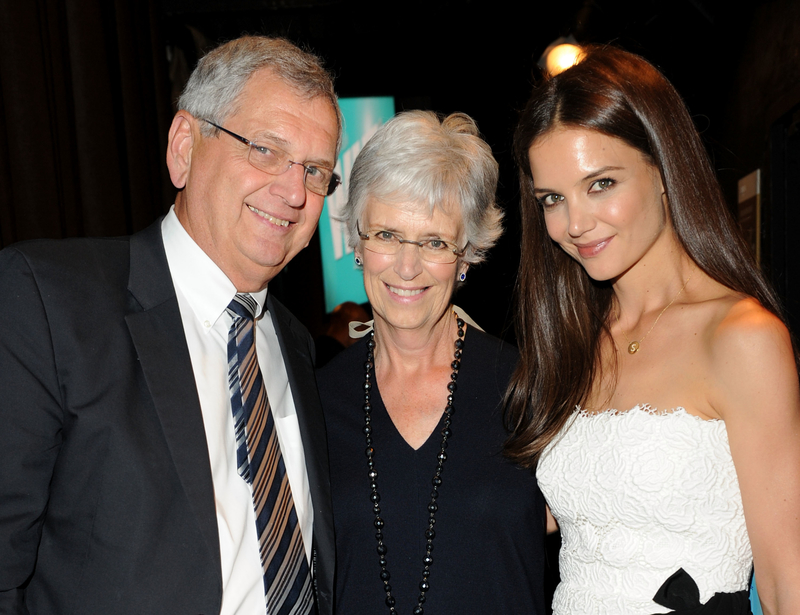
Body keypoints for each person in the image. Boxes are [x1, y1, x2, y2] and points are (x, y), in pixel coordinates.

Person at [0, 36, 341, 615]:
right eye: (264, 149)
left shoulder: (297, 345)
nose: (292, 192)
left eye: (315, 171)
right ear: (184, 146)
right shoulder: (47, 302)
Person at [506, 45, 800, 614]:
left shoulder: (740, 337)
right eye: (552, 199)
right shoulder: (573, 340)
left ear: (664, 169)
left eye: (601, 185)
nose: (574, 224)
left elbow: (788, 581)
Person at [317, 110, 547, 615]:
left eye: (434, 242)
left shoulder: (530, 388)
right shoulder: (314, 400)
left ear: (467, 257)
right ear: (357, 241)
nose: (406, 266)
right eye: (387, 235)